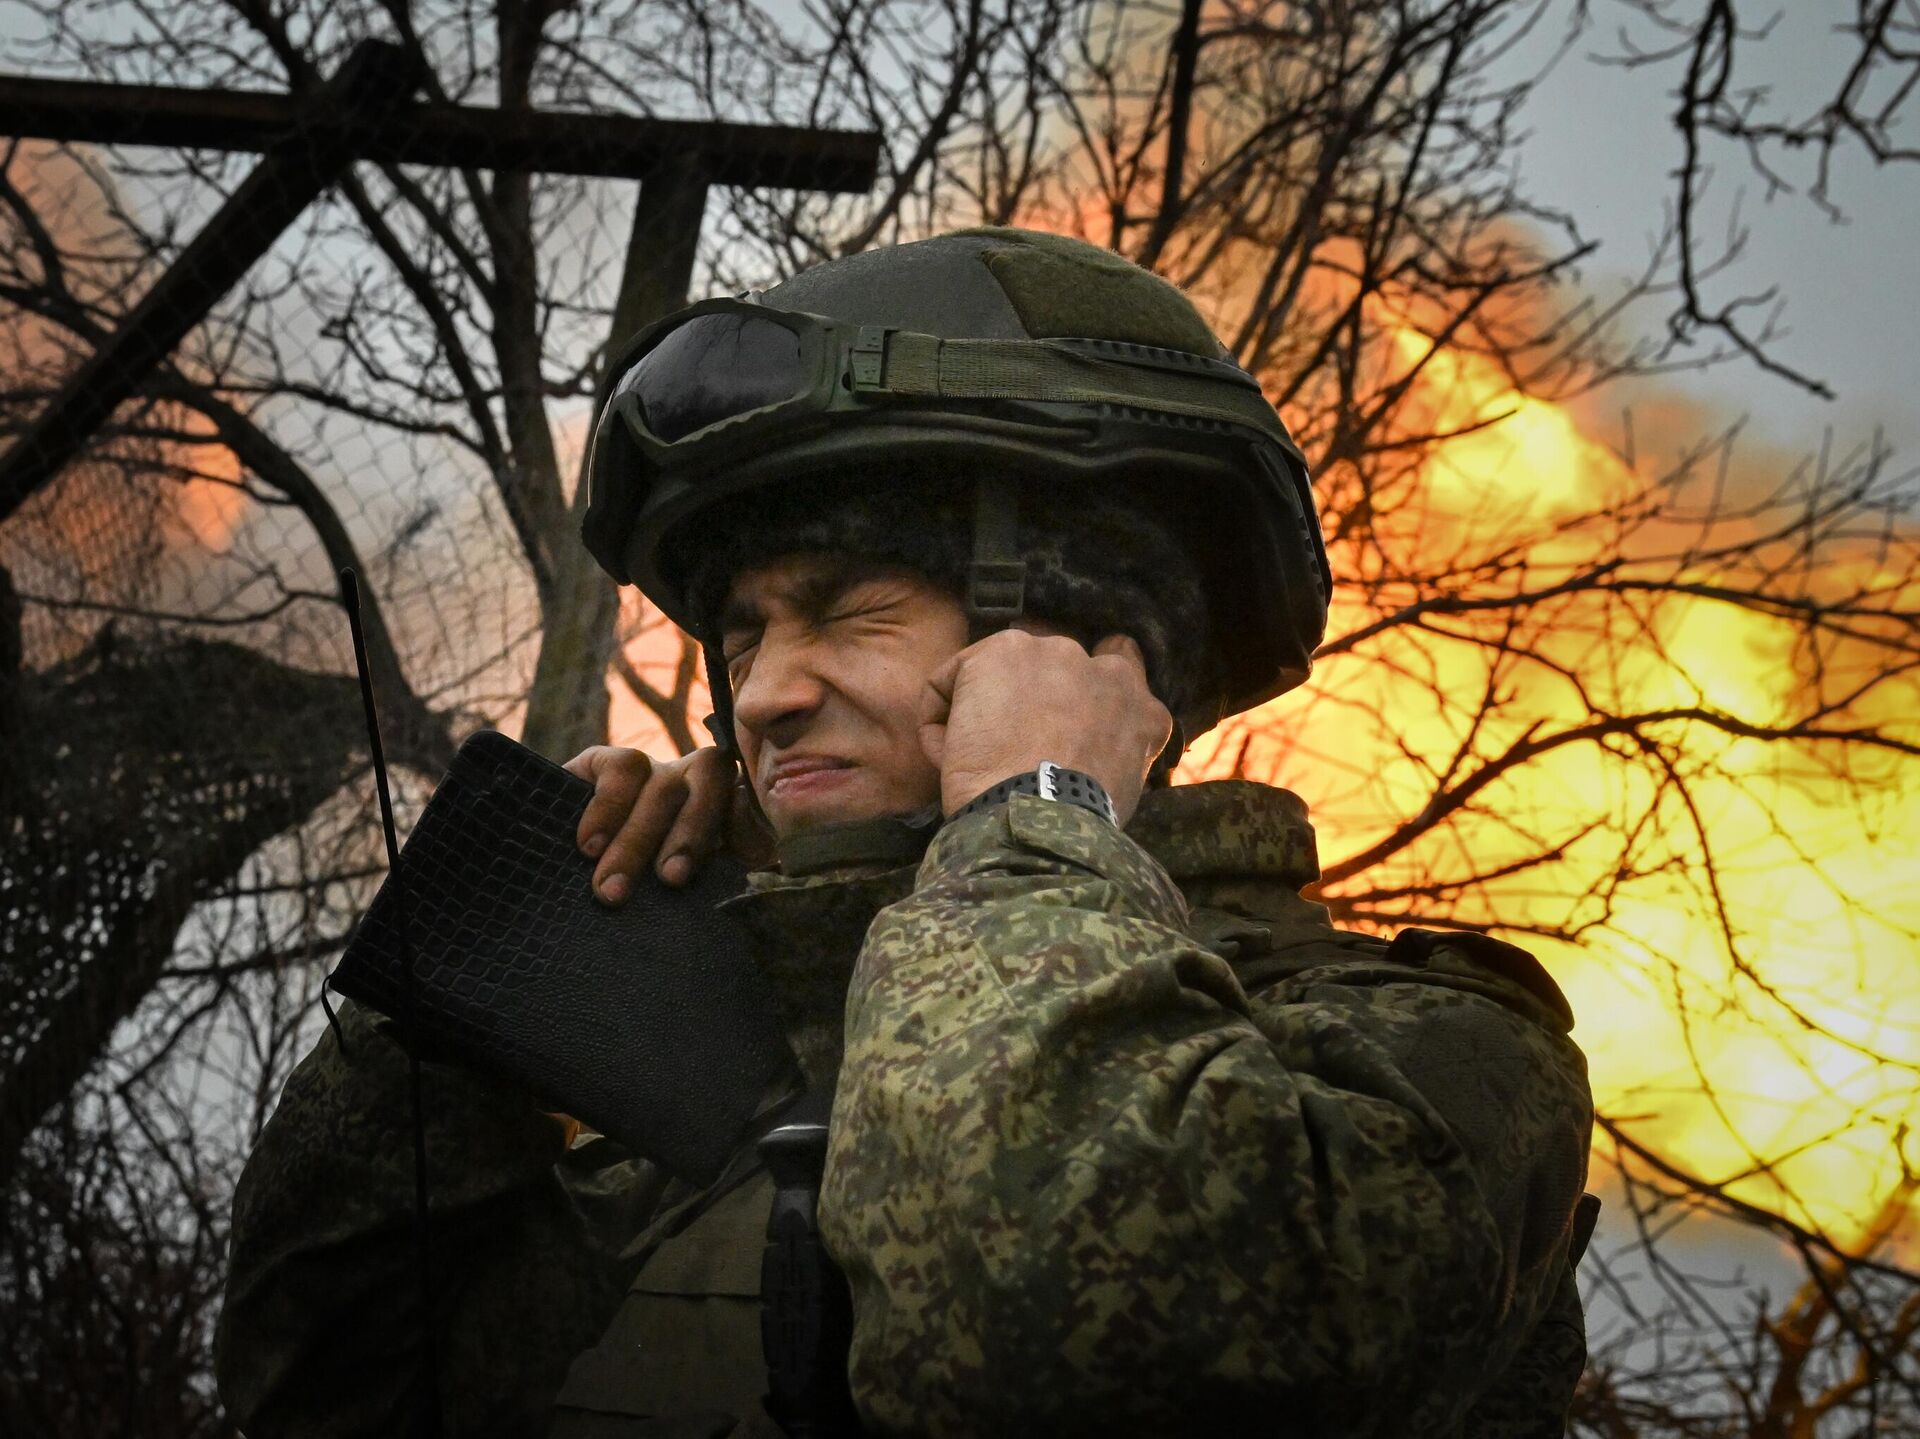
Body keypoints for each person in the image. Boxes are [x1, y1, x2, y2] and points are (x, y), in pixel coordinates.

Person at [217, 228, 1596, 1437]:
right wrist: (479, 1000)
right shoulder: (713, 1111)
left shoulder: (1416, 1059)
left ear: (1078, 639)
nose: (764, 695)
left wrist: (1031, 815)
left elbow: (1070, 1356)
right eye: (742, 638)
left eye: (849, 611)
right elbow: (322, 1401)